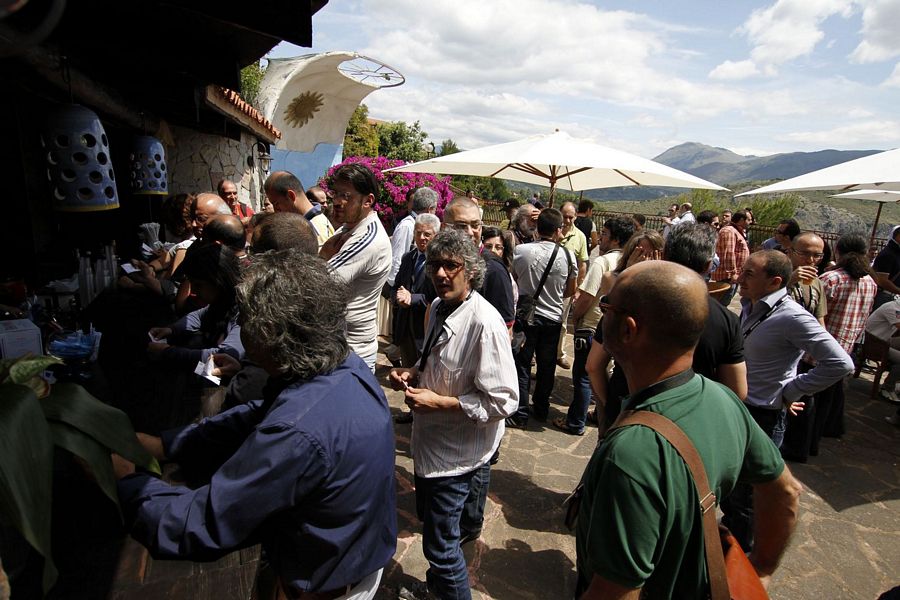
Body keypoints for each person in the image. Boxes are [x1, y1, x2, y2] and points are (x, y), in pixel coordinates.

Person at [116, 250, 397, 600]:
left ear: (269, 335)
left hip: (324, 584)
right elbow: (260, 414)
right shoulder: (340, 364)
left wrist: (127, 482)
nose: (240, 333)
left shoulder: (296, 431)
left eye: (245, 322)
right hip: (347, 558)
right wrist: (169, 444)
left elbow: (201, 524)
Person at [574, 261, 802, 599]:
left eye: (607, 306)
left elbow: (615, 591)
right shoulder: (723, 399)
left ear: (628, 330)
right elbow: (786, 492)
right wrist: (762, 567)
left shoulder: (630, 453)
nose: (602, 312)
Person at [389, 229, 518, 600]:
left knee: (443, 550)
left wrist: (443, 403)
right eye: (435, 266)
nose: (441, 274)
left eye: (451, 266)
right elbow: (435, 359)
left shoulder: (485, 324)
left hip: (456, 459)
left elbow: (505, 400)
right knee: (438, 537)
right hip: (431, 446)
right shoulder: (437, 307)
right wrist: (413, 371)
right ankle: (437, 591)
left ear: (471, 271)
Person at [721, 249, 852, 551]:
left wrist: (791, 391)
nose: (740, 278)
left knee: (746, 500)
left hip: (763, 418)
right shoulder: (751, 306)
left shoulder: (792, 316)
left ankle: (741, 564)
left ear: (774, 282)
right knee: (733, 494)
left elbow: (840, 363)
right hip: (741, 410)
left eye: (749, 274)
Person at [558, 217, 635, 435]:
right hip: (614, 330)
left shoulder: (603, 262)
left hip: (592, 326)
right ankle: (600, 414)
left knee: (583, 375)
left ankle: (576, 421)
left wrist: (576, 318)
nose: (600, 238)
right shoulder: (630, 264)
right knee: (602, 372)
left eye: (605, 234)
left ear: (616, 239)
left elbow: (586, 297)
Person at [508, 208, 577, 428]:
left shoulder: (521, 251)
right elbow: (570, 290)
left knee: (522, 364)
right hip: (553, 317)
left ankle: (520, 411)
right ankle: (541, 408)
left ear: (537, 228)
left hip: (526, 316)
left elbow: (514, 280)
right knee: (547, 367)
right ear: (558, 230)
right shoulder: (568, 256)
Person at [320, 163, 392, 371]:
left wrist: (322, 256)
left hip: (352, 354)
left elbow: (317, 283)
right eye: (335, 193)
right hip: (341, 348)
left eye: (346, 196)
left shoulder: (367, 239)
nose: (337, 201)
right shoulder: (349, 229)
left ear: (368, 201)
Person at [814, 233, 877, 445]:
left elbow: (813, 316)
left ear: (837, 251)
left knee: (813, 400)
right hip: (845, 348)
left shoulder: (830, 279)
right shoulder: (870, 282)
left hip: (818, 351)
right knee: (832, 395)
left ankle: (807, 442)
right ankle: (829, 430)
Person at [780, 232, 829, 463]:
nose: (810, 260)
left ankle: (794, 448)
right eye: (805, 254)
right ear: (791, 251)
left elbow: (819, 318)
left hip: (802, 353)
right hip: (778, 351)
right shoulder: (778, 275)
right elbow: (757, 305)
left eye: (817, 256)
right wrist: (789, 281)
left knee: (801, 402)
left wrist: (821, 350)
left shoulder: (817, 283)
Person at [392, 213, 440, 370]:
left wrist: (412, 298)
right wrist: (398, 298)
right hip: (405, 329)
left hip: (425, 330)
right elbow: (396, 287)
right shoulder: (408, 258)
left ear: (436, 236)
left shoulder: (440, 263)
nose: (421, 238)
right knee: (407, 372)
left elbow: (438, 297)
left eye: (427, 234)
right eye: (418, 233)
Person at [556, 202, 589, 369]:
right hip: (547, 284)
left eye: (571, 217)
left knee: (562, 322)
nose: (567, 220)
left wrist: (578, 287)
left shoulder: (580, 237)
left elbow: (583, 263)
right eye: (565, 216)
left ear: (576, 216)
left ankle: (558, 354)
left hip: (566, 288)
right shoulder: (552, 230)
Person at [264, 170, 335, 248]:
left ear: (291, 196)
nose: (275, 210)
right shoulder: (307, 222)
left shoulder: (314, 228)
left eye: (276, 204)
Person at [388, 187, 438, 287]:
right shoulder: (407, 226)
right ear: (429, 209)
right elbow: (397, 259)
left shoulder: (414, 224)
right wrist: (396, 287)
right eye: (435, 209)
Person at [712, 209, 751, 306]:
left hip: (733, 276)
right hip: (727, 277)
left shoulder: (736, 231)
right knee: (721, 304)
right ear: (741, 220)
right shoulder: (729, 231)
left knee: (725, 303)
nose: (750, 222)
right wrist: (733, 273)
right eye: (748, 220)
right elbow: (728, 253)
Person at [872, 225, 900, 310]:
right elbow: (882, 280)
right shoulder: (888, 254)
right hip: (884, 296)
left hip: (892, 296)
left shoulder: (895, 253)